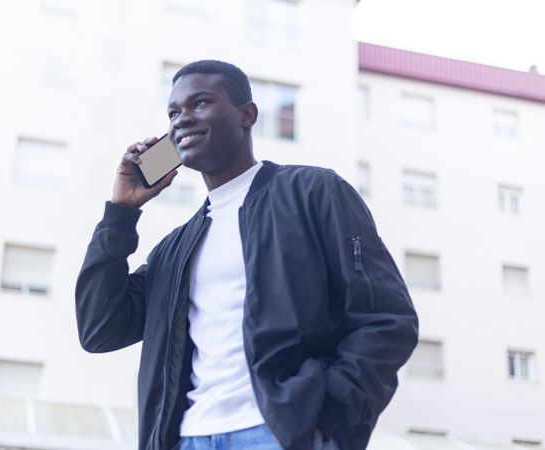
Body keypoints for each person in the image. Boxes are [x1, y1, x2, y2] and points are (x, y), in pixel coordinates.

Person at [75, 60, 418, 450]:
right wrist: (121, 213)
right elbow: (100, 329)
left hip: (281, 433)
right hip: (188, 437)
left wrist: (327, 416)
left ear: (246, 115)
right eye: (173, 112)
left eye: (200, 104)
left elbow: (387, 319)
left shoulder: (313, 192)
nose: (182, 120)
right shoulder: (176, 248)